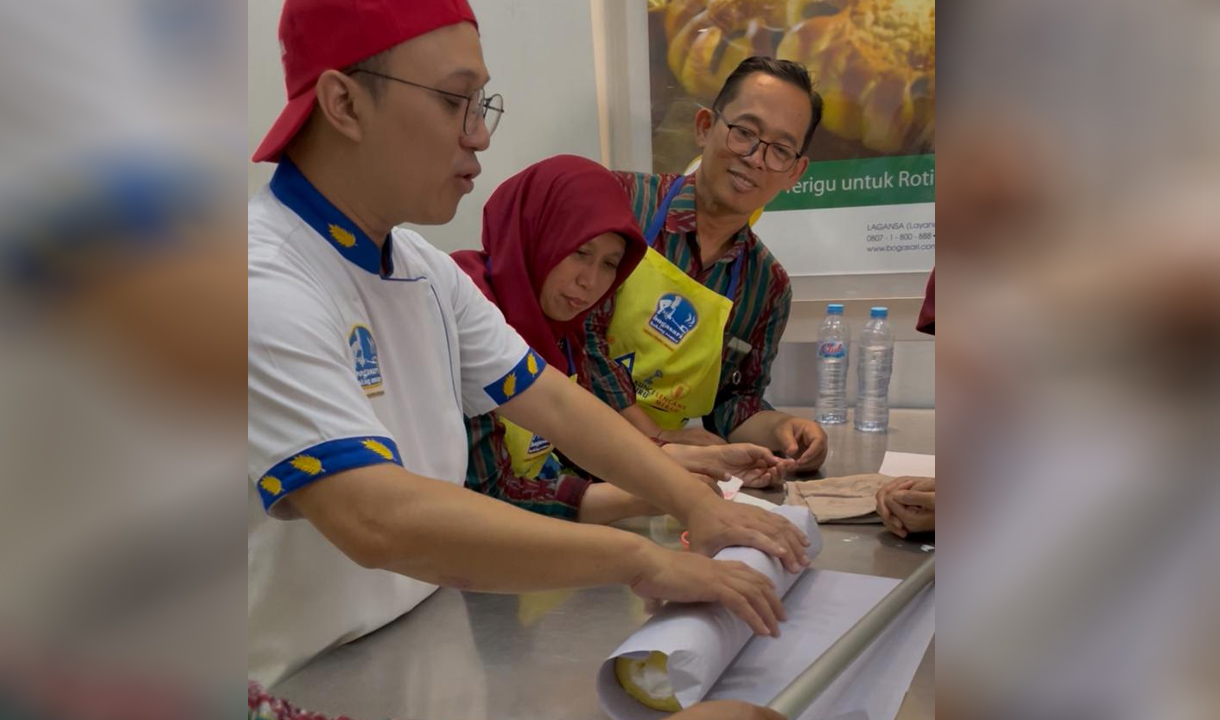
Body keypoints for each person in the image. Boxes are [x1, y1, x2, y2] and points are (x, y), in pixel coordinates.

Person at [248, 0, 808, 686]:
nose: (479, 135)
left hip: (425, 639)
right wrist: (639, 561)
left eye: (483, 104)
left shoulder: (421, 270)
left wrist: (698, 506)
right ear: (343, 102)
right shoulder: (264, 279)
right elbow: (375, 518)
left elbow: (554, 400)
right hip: (302, 681)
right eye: (456, 101)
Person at [454, 155, 790, 524]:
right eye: (581, 252)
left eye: (610, 264)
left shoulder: (563, 333)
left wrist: (699, 461)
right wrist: (664, 493)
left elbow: (581, 447)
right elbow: (491, 498)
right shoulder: (466, 314)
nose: (591, 282)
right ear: (535, 232)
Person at [583, 56, 830, 474]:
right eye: (745, 133)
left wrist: (787, 428)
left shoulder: (765, 284)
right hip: (553, 456)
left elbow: (734, 404)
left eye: (781, 150)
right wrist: (659, 441)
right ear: (703, 127)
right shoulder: (619, 202)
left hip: (657, 480)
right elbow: (571, 346)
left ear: (795, 171)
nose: (755, 158)